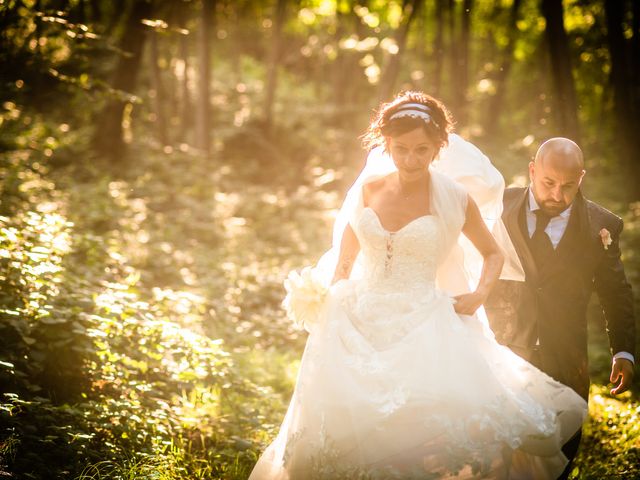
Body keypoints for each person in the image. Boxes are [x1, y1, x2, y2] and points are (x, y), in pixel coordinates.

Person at [249, 92, 587, 480]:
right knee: (341, 426)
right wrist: (329, 299)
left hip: (425, 320)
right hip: (358, 319)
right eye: (401, 149)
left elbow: (493, 254)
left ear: (439, 147)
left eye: (422, 150)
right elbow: (345, 261)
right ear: (386, 144)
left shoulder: (455, 198)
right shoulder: (368, 192)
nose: (411, 160)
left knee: (428, 426)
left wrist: (478, 294)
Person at [485, 137, 636, 479]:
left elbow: (616, 292)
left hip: (565, 359)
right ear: (532, 170)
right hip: (502, 351)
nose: (557, 195)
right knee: (497, 455)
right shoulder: (496, 206)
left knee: (558, 456)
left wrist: (623, 351)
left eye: (568, 186)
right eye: (549, 183)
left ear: (581, 178)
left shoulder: (602, 224)